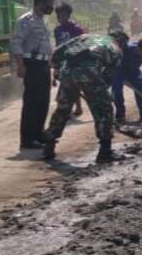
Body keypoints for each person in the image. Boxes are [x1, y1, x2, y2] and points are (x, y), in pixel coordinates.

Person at [43, 31, 128, 163]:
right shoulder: (116, 48)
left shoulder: (86, 37)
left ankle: (49, 146)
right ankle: (105, 151)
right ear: (121, 41)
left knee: (63, 109)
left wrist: (58, 70)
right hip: (90, 73)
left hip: (67, 72)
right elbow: (108, 76)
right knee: (104, 111)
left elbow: (58, 52)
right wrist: (101, 94)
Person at [11, 0, 55, 150]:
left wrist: (51, 64)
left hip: (43, 65)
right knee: (31, 103)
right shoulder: (25, 20)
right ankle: (27, 140)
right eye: (48, 4)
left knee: (43, 102)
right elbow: (16, 43)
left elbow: (47, 45)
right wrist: (20, 65)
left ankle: (38, 134)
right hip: (32, 65)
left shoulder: (44, 21)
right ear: (39, 3)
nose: (51, 7)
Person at [53, 3, 87, 117]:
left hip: (75, 61)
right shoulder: (57, 30)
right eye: (57, 15)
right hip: (63, 61)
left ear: (68, 15)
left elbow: (83, 45)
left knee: (72, 85)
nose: (59, 17)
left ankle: (74, 107)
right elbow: (58, 46)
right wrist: (56, 65)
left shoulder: (77, 29)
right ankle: (76, 107)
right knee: (70, 85)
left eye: (61, 14)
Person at [111, 37, 142, 123]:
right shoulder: (125, 49)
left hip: (134, 72)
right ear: (138, 48)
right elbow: (115, 62)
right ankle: (120, 115)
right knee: (117, 92)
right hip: (118, 71)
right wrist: (120, 77)